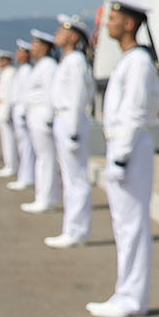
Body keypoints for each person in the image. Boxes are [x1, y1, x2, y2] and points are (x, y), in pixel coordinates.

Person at [87, 0, 159, 317]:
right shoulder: (131, 60)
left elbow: (134, 112)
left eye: (113, 18)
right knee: (124, 225)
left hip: (129, 148)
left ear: (129, 24)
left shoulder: (138, 63)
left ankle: (132, 298)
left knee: (131, 226)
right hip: (123, 145)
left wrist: (120, 157)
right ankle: (125, 292)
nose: (108, 23)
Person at [44, 15, 98, 249]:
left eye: (63, 30)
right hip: (64, 118)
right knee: (69, 177)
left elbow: (77, 97)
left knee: (75, 178)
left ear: (73, 37)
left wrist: (74, 130)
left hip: (70, 119)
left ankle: (77, 230)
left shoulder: (75, 61)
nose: (57, 33)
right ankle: (72, 228)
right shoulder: (69, 60)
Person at [20, 28, 61, 214]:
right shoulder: (42, 65)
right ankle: (44, 196)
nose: (32, 48)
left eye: (36, 44)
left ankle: (46, 198)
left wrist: (48, 118)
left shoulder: (48, 66)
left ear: (45, 47)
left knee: (46, 159)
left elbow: (51, 93)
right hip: (36, 114)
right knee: (42, 159)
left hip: (42, 115)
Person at [6, 41, 36, 193]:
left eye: (21, 52)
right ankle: (24, 175)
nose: (17, 54)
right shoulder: (23, 70)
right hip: (18, 109)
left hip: (23, 110)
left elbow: (27, 94)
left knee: (26, 146)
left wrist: (24, 113)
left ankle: (27, 177)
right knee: (22, 145)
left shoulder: (28, 70)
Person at [0, 50, 19, 177]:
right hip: (1, 107)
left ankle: (11, 165)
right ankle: (9, 164)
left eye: (2, 59)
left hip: (5, 108)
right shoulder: (5, 73)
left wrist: (7, 113)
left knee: (9, 140)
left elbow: (10, 94)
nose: (0, 62)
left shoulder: (10, 73)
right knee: (5, 139)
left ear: (8, 60)